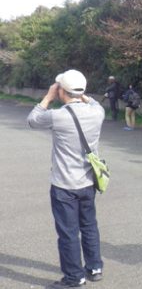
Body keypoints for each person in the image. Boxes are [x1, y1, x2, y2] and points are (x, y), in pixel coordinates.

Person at [27, 69, 105, 289]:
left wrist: (48, 97)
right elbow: (94, 103)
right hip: (88, 182)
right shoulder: (97, 112)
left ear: (61, 90)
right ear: (82, 91)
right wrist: (82, 95)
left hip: (64, 185)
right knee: (89, 226)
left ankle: (74, 277)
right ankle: (94, 267)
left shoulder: (58, 115)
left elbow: (33, 119)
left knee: (68, 233)